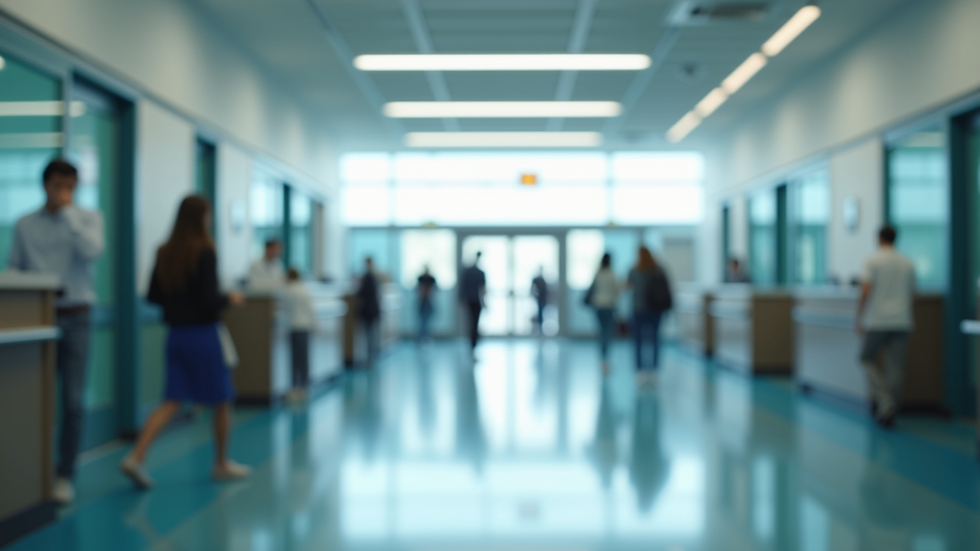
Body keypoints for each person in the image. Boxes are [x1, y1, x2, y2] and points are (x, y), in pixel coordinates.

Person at [120, 195, 250, 489]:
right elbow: (208, 301)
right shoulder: (204, 251)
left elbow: (153, 295)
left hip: (175, 336)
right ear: (202, 217)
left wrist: (177, 300)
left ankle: (136, 455)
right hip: (204, 335)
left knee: (171, 401)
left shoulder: (165, 251)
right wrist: (230, 298)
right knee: (223, 400)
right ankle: (221, 463)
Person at [8, 159, 104, 505]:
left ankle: (66, 474)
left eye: (70, 187)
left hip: (78, 316)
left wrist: (68, 215)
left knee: (73, 400)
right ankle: (32, 471)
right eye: (57, 186)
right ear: (45, 185)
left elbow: (92, 251)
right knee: (34, 397)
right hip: (39, 319)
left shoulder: (88, 219)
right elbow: (16, 270)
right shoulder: (24, 225)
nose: (64, 193)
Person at [855, 226, 916, 428]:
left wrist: (859, 317)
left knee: (865, 358)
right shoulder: (907, 262)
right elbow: (913, 294)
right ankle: (890, 408)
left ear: (879, 239)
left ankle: (884, 400)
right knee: (896, 367)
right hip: (902, 321)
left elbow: (866, 290)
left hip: (878, 320)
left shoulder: (873, 260)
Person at [626, 247, 673, 385]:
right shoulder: (659, 270)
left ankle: (640, 371)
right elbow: (667, 288)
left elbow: (628, 287)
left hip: (638, 310)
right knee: (655, 340)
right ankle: (653, 371)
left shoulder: (634, 270)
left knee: (638, 341)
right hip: (655, 310)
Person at [285, 267, 316, 402]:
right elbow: (311, 309)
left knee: (295, 359)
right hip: (305, 327)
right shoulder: (304, 290)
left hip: (294, 326)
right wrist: (314, 325)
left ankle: (295, 387)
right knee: (304, 358)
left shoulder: (288, 291)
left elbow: (284, 308)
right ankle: (304, 386)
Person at [588, 253, 619, 373]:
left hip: (598, 305)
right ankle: (606, 361)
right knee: (607, 333)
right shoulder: (611, 274)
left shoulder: (598, 273)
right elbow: (615, 291)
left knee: (601, 332)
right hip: (609, 306)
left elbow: (593, 289)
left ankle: (602, 360)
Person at [459, 252, 487, 352]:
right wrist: (484, 302)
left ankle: (472, 344)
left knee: (471, 323)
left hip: (469, 301)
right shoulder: (480, 272)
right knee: (475, 323)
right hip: (476, 301)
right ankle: (473, 344)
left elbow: (463, 286)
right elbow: (483, 289)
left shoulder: (468, 271)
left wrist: (462, 299)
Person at [357, 257, 381, 364]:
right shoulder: (373, 277)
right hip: (373, 311)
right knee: (371, 335)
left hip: (369, 311)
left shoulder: (368, 277)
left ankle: (369, 357)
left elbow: (362, 293)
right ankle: (371, 355)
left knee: (369, 335)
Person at [417, 266, 437, 342]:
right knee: (421, 321)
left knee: (428, 321)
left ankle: (427, 337)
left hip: (429, 302)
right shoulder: (420, 278)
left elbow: (435, 289)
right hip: (421, 302)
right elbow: (418, 289)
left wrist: (429, 293)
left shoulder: (432, 279)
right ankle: (421, 337)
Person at [531, 267, 549, 335]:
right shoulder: (536, 279)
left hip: (542, 299)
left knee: (541, 313)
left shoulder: (543, 279)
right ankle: (537, 328)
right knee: (539, 313)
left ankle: (540, 328)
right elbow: (533, 289)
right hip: (537, 299)